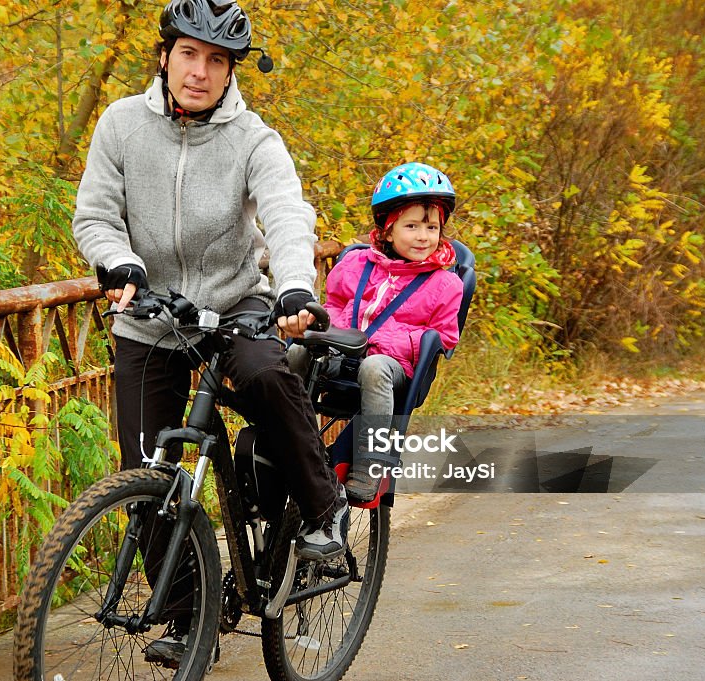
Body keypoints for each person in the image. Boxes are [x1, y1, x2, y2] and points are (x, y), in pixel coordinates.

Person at [71, 0, 347, 666]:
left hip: (235, 305)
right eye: (189, 54)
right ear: (164, 55)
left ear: (230, 71)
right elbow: (94, 217)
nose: (200, 71)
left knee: (263, 373)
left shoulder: (253, 137)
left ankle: (322, 508)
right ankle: (188, 615)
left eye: (216, 60)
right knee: (147, 474)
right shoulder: (120, 124)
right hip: (152, 312)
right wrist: (118, 261)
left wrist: (295, 288)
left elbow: (285, 212)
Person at [288, 162, 465, 503]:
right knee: (297, 353)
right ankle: (289, 438)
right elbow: (336, 304)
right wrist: (333, 331)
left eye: (432, 227)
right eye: (411, 225)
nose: (423, 236)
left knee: (375, 366)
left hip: (393, 367)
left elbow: (443, 337)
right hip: (343, 353)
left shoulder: (445, 284)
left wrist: (382, 343)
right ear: (387, 229)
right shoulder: (355, 265)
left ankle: (370, 463)